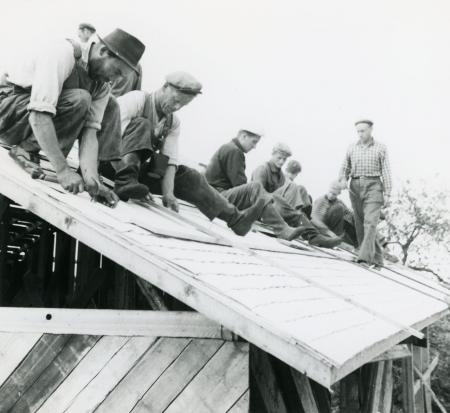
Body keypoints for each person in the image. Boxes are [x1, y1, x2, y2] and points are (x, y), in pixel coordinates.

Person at [0, 28, 145, 206]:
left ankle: (28, 149)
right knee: (81, 99)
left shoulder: (102, 86)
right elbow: (38, 115)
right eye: (116, 72)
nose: (113, 80)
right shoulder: (62, 53)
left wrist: (93, 182)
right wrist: (62, 170)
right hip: (6, 113)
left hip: (25, 124)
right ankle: (25, 150)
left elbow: (90, 135)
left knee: (107, 103)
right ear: (103, 51)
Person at [112, 71, 265, 236]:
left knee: (190, 176)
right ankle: (126, 182)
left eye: (182, 105)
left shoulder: (172, 122)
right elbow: (110, 139)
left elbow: (170, 162)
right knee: (143, 124)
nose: (176, 107)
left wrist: (168, 194)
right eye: (175, 100)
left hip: (135, 177)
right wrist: (127, 179)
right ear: (165, 87)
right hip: (110, 164)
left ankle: (236, 219)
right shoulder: (136, 100)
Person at [205, 129, 342, 247]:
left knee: (283, 199)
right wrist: (273, 201)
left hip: (226, 197)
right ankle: (284, 229)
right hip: (218, 197)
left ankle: (313, 235)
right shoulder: (235, 152)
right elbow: (244, 187)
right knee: (262, 190)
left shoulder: (233, 150)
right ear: (243, 136)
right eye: (254, 142)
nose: (254, 147)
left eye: (284, 159)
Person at [339, 119, 392, 267]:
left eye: (363, 131)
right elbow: (345, 167)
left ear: (370, 130)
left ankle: (364, 258)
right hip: (355, 186)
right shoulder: (352, 147)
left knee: (370, 222)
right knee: (360, 223)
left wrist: (387, 193)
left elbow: (386, 171)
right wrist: (343, 179)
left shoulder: (381, 148)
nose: (360, 134)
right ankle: (377, 257)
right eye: (358, 131)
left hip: (374, 186)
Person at [311, 181, 357, 247]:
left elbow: (349, 213)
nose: (331, 195)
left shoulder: (338, 202)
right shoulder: (321, 201)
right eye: (330, 192)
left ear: (338, 194)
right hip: (320, 229)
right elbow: (315, 220)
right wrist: (330, 233)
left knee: (349, 218)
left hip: (331, 230)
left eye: (334, 194)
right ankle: (334, 238)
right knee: (338, 208)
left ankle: (355, 242)